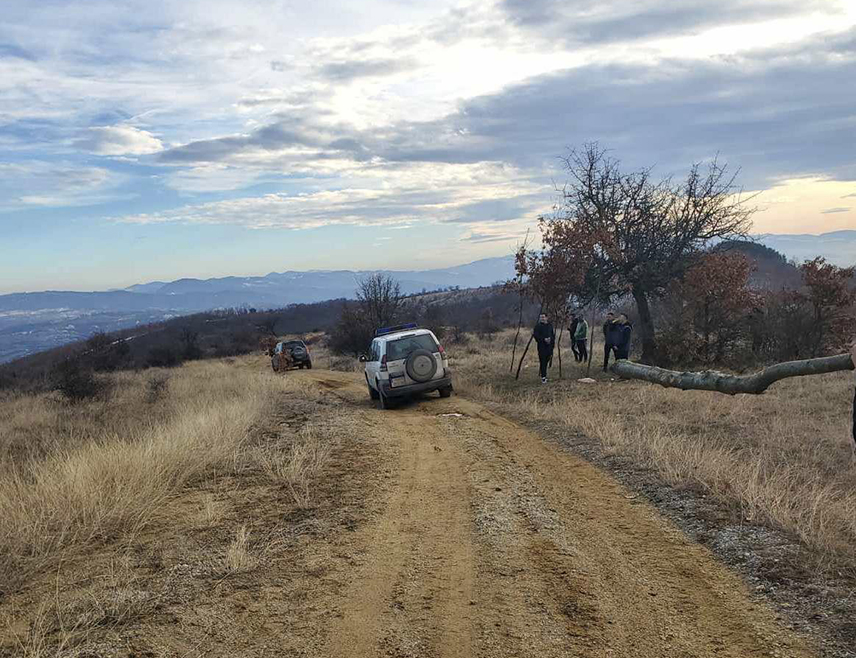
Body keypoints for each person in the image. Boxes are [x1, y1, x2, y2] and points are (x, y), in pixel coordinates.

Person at [532, 313, 555, 384]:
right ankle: (543, 377)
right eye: (541, 317)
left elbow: (552, 335)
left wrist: (551, 340)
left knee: (547, 360)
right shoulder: (538, 326)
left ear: (546, 318)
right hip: (542, 347)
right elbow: (536, 336)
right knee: (543, 361)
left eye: (543, 317)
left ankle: (544, 375)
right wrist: (543, 339)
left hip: (549, 347)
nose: (542, 318)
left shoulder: (550, 325)